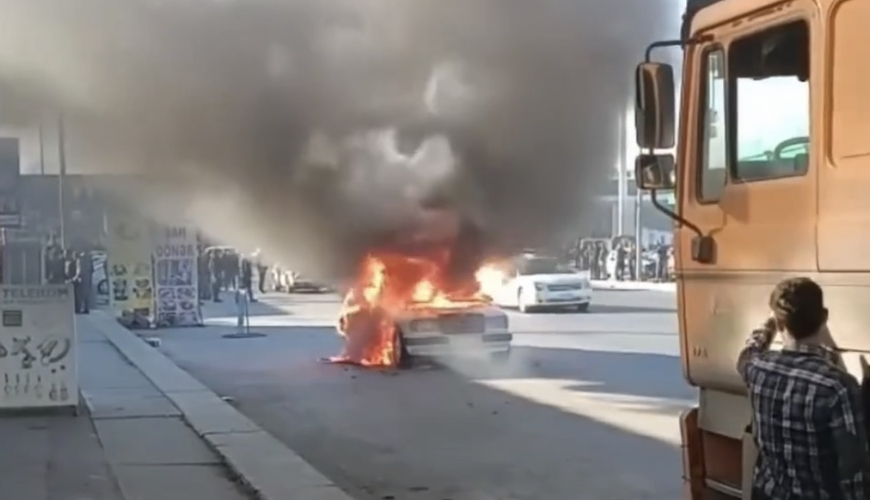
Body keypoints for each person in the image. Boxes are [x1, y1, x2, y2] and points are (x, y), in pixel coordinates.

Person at [737, 277, 870, 499]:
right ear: (824, 317)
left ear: (780, 324)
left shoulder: (757, 368)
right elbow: (853, 470)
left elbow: (748, 351)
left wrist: (769, 323)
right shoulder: (838, 387)